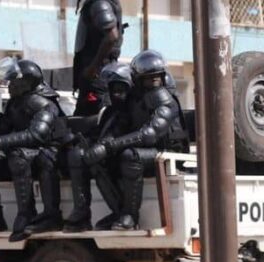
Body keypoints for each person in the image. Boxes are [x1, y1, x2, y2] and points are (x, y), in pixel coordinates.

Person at [81, 50, 188, 230]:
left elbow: (150, 134)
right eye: (148, 79)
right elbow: (120, 125)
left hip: (168, 151)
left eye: (156, 78)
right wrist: (102, 145)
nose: (154, 83)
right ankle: (119, 212)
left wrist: (111, 146)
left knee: (131, 156)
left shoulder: (164, 100)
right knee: (97, 160)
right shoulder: (135, 98)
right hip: (148, 150)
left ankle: (130, 216)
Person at [0, 58, 66, 242]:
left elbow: (36, 135)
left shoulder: (46, 104)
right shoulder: (16, 103)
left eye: (14, 81)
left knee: (18, 155)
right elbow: (3, 126)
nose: (9, 85)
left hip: (49, 155)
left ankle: (27, 214)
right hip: (27, 156)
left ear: (26, 82)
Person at [65, 62, 133, 232]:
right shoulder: (110, 111)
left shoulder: (133, 110)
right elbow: (99, 131)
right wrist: (77, 139)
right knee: (76, 154)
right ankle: (81, 212)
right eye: (113, 90)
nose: (116, 94)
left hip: (123, 153)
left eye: (121, 90)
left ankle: (121, 211)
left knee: (98, 162)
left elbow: (124, 132)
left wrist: (104, 146)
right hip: (110, 150)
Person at [73, 0, 124, 116]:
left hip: (97, 79)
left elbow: (112, 36)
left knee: (93, 124)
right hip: (94, 78)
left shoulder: (99, 4)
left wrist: (93, 68)